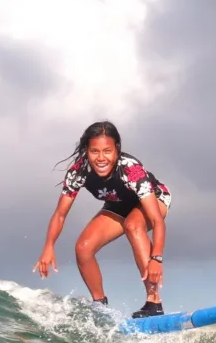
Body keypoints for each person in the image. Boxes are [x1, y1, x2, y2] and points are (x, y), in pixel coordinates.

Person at [32, 120, 172, 318]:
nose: (101, 158)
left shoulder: (130, 170)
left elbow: (157, 221)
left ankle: (154, 303)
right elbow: (60, 214)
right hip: (117, 205)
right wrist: (49, 246)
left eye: (107, 151)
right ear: (87, 151)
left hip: (155, 200)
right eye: (94, 151)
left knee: (133, 225)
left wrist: (156, 258)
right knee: (83, 247)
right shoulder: (79, 171)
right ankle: (100, 306)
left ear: (116, 150)